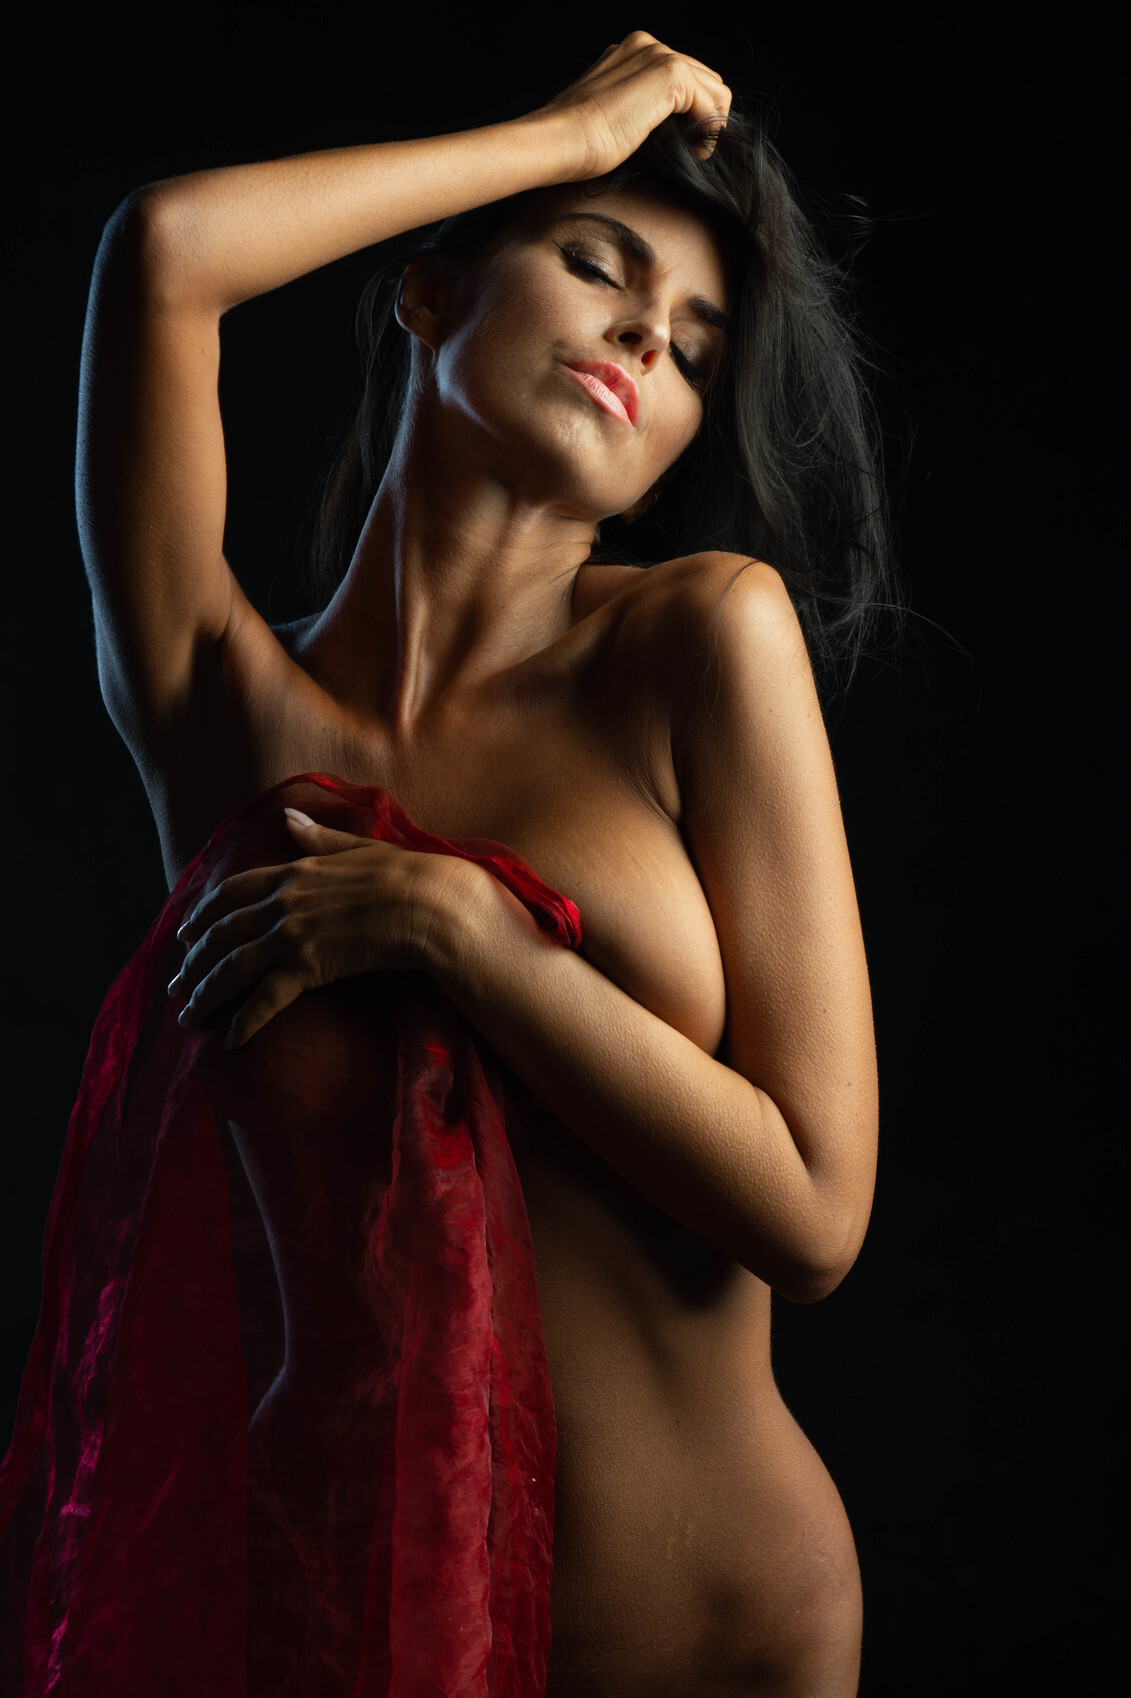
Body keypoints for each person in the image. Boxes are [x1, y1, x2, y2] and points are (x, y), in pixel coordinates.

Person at [0, 30, 890, 1698]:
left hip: (724, 1635)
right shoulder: (224, 708)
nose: (647, 336)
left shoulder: (699, 642)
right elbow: (165, 256)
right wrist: (560, 140)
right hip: (359, 1634)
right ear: (428, 292)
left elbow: (818, 1209)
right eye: (596, 263)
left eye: (696, 347)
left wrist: (461, 924)